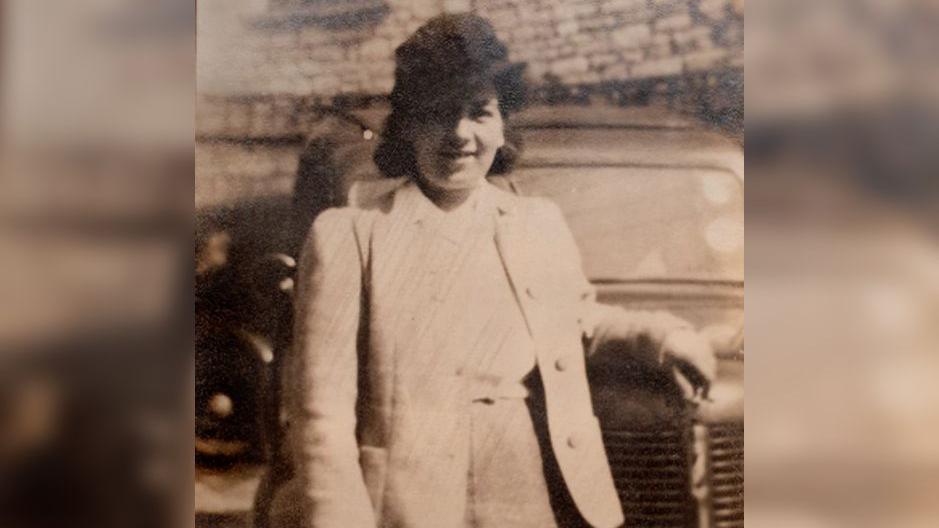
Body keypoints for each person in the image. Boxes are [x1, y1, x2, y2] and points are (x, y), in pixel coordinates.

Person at [270, 13, 715, 528]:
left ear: (502, 128)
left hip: (518, 479)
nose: (459, 134)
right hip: (400, 498)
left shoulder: (537, 224)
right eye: (438, 114)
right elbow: (320, 416)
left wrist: (663, 337)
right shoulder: (350, 235)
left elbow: (577, 324)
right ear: (408, 125)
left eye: (479, 113)